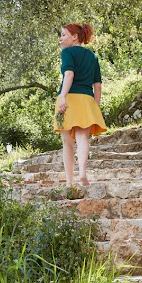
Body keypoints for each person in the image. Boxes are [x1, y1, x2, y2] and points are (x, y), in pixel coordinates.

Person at [54, 23, 107, 188]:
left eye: (63, 35)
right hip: (86, 100)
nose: (60, 39)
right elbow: (97, 85)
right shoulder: (93, 56)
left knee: (66, 141)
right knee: (82, 137)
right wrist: (95, 106)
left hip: (68, 98)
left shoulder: (67, 52)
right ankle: (82, 173)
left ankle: (69, 182)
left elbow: (69, 74)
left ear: (74, 36)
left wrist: (63, 96)